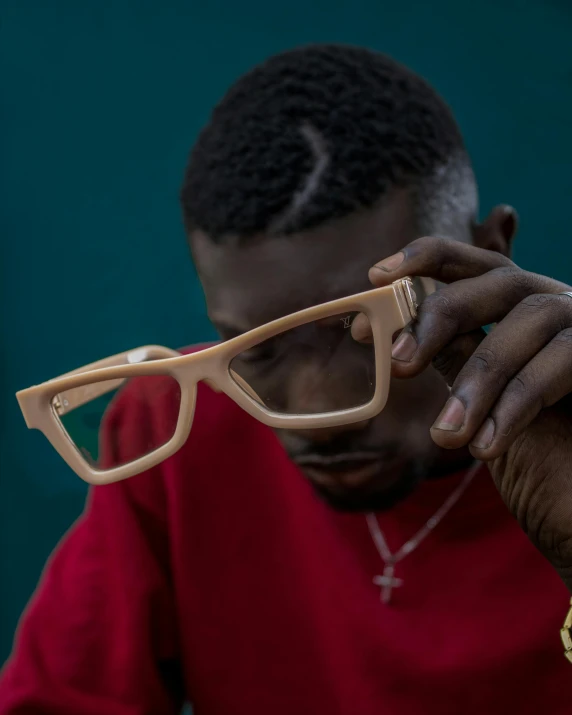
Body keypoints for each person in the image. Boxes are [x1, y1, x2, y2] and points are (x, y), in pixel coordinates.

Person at [1, 44, 572, 715]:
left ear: (489, 254)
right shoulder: (172, 428)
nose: (317, 411)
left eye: (363, 326)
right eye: (257, 348)